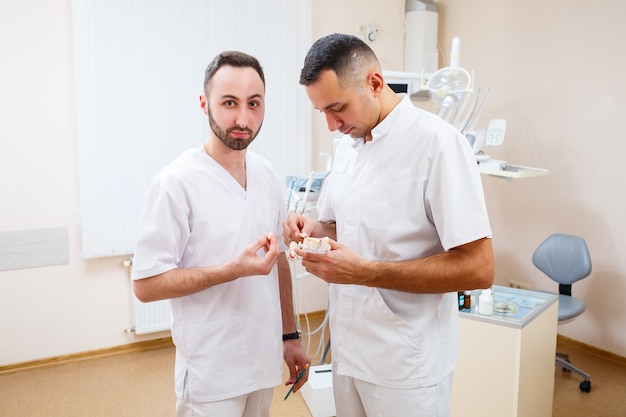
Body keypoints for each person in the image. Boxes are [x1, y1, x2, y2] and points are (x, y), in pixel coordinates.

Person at [283, 33, 495, 417]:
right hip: (349, 354)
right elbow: (340, 228)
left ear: (375, 83)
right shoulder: (348, 147)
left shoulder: (438, 145)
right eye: (322, 113)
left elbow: (478, 268)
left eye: (337, 108)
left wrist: (366, 272)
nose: (332, 125)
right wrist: (311, 232)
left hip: (406, 362)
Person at [132, 51, 310, 417]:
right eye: (229, 103)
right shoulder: (175, 183)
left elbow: (277, 261)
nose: (243, 118)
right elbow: (146, 285)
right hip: (210, 372)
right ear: (204, 104)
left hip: (262, 362)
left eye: (254, 103)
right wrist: (230, 270)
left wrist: (289, 336)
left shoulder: (266, 174)